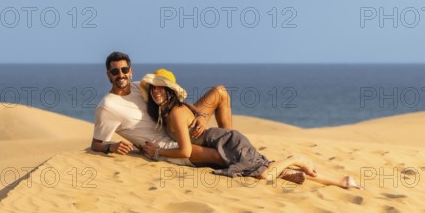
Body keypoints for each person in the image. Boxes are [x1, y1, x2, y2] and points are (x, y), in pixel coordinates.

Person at [139, 69, 361, 189]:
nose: (157, 92)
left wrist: (157, 152)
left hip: (228, 142)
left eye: (162, 88)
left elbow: (185, 152)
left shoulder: (175, 113)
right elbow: (186, 111)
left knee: (264, 174)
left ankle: (295, 158)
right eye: (154, 89)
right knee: (268, 169)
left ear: (169, 92)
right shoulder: (170, 110)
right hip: (223, 142)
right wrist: (196, 113)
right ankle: (340, 182)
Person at [91, 52, 231, 167]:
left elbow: (176, 100)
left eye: (124, 70)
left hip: (177, 127)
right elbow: (96, 144)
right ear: (109, 75)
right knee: (219, 156)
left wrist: (199, 114)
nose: (121, 75)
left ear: (131, 72)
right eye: (115, 71)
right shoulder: (107, 106)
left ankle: (230, 140)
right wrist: (111, 147)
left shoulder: (140, 87)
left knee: (220, 92)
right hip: (165, 146)